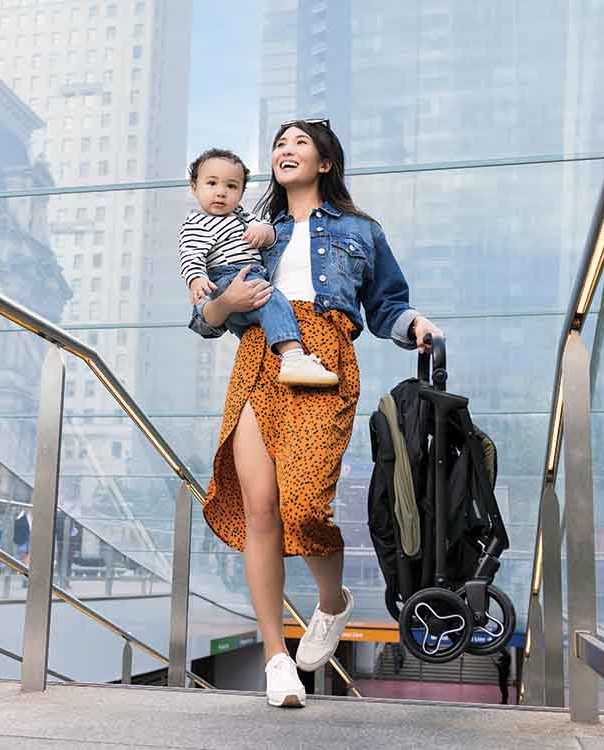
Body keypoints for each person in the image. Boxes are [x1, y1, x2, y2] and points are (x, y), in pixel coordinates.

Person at [189, 118, 442, 708]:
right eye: (279, 143)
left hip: (325, 359)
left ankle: (332, 602)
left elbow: (386, 306)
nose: (286, 150)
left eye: (299, 142)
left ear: (325, 162)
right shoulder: (246, 230)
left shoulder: (360, 230)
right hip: (260, 360)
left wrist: (416, 326)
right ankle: (277, 658)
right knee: (260, 508)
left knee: (305, 505)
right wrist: (224, 301)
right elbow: (205, 315)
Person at [180, 148, 338, 387]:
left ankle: (281, 356)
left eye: (231, 186)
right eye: (211, 183)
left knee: (261, 315)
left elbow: (270, 232)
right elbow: (191, 256)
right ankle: (294, 357)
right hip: (228, 276)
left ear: (242, 192)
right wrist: (197, 280)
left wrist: (264, 232)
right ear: (195, 188)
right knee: (271, 298)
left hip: (247, 280)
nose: (221, 192)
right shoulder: (197, 223)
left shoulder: (243, 216)